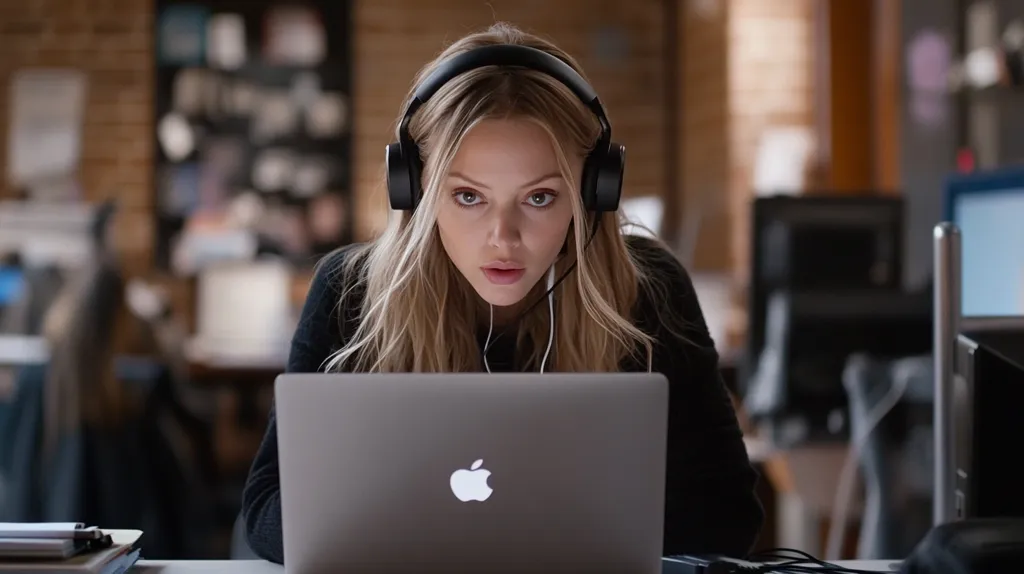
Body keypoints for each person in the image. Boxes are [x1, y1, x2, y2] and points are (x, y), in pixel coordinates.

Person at [241, 22, 764, 564]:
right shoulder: (349, 290)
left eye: (539, 197)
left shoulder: (649, 287)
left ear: (593, 193)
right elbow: (265, 516)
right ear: (415, 192)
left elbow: (729, 515)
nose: (503, 238)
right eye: (469, 196)